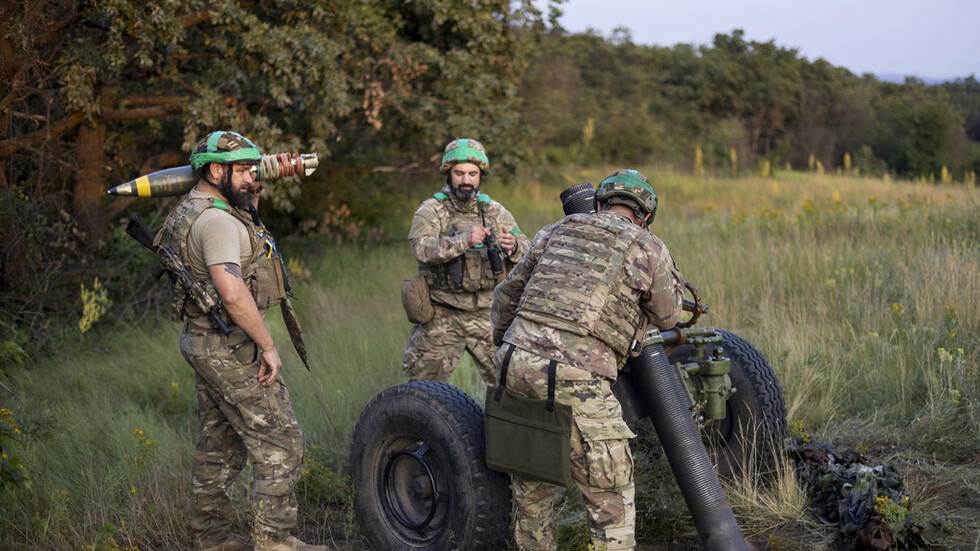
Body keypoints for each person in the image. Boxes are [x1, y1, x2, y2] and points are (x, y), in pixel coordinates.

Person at [490, 169, 685, 551]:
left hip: (515, 363)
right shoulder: (648, 246)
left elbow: (506, 296)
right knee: (610, 499)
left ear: (599, 204)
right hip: (577, 377)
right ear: (644, 216)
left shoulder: (554, 231)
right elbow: (667, 317)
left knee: (532, 489)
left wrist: (509, 345)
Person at [161, 131, 323, 551]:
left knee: (219, 444)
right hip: (228, 346)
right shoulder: (216, 222)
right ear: (216, 170)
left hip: (203, 341)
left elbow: (246, 213)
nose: (254, 178)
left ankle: (211, 539)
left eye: (256, 169)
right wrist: (268, 345)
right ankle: (275, 542)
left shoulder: (197, 207)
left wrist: (253, 185)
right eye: (245, 171)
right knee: (280, 440)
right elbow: (232, 293)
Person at [402, 138, 530, 385]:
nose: (466, 180)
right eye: (459, 173)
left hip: (487, 313)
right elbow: (420, 248)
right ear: (448, 173)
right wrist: (464, 240)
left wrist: (513, 246)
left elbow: (526, 246)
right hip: (442, 314)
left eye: (472, 173)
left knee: (511, 386)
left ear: (481, 175)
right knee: (421, 389)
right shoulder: (431, 210)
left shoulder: (495, 211)